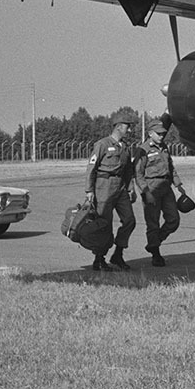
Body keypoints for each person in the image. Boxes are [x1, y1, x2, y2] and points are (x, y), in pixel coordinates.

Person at [85, 113, 137, 271]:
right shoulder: (102, 144)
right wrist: (89, 190)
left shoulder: (125, 147)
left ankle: (118, 254)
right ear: (119, 127)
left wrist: (131, 188)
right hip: (104, 186)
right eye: (127, 127)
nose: (129, 130)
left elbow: (128, 169)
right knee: (104, 224)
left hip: (120, 187)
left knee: (130, 220)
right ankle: (99, 259)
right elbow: (91, 168)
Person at [135, 120, 185, 267]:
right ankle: (156, 254)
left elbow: (171, 167)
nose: (162, 136)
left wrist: (178, 184)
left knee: (173, 220)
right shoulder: (143, 150)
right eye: (159, 133)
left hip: (166, 186)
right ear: (150, 133)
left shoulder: (164, 147)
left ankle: (154, 242)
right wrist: (146, 192)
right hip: (151, 188)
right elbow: (138, 174)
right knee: (153, 223)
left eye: (163, 133)